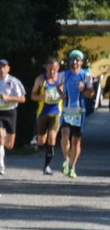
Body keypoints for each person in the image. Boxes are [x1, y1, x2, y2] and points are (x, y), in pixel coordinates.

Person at [0, 59, 24, 176]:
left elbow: (22, 99)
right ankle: (1, 166)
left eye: (4, 67)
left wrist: (8, 98)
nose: (2, 69)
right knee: (0, 137)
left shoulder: (13, 82)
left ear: (8, 68)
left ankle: (6, 137)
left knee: (9, 145)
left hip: (11, 112)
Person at [59, 49, 90, 177]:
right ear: (69, 61)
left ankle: (73, 166)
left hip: (79, 112)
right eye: (72, 59)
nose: (75, 62)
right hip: (67, 111)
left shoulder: (86, 75)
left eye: (77, 60)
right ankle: (66, 159)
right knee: (65, 134)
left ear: (81, 62)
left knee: (76, 141)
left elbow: (91, 93)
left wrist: (83, 90)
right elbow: (56, 86)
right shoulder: (64, 74)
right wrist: (61, 94)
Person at [34, 59, 64, 174]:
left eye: (54, 69)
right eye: (50, 69)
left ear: (58, 69)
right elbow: (32, 95)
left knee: (52, 137)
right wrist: (41, 96)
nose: (52, 71)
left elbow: (66, 96)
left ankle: (46, 166)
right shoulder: (41, 79)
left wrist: (62, 95)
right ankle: (39, 142)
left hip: (56, 112)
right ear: (46, 68)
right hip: (43, 112)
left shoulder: (61, 81)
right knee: (42, 141)